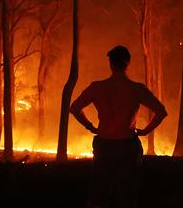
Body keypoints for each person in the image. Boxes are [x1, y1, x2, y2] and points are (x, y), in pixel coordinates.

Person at [70, 45, 167, 208]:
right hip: (127, 146)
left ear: (111, 64)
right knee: (127, 194)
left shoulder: (97, 87)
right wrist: (145, 131)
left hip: (104, 145)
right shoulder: (136, 89)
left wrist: (90, 126)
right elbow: (161, 111)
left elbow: (74, 108)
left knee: (99, 193)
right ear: (127, 63)